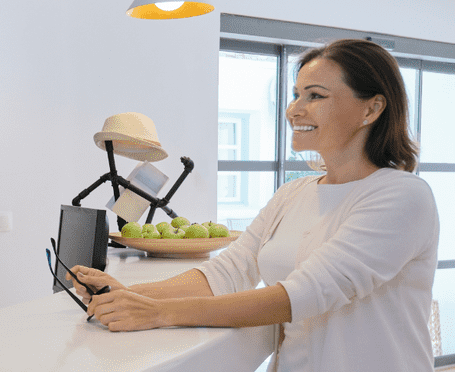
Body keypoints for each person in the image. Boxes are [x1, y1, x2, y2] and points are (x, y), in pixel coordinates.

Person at [69, 39, 439, 372]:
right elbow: (230, 270)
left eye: (315, 96)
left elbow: (304, 295)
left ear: (371, 109)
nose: (294, 109)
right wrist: (127, 293)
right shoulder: (293, 194)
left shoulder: (403, 196)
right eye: (296, 95)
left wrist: (158, 312)